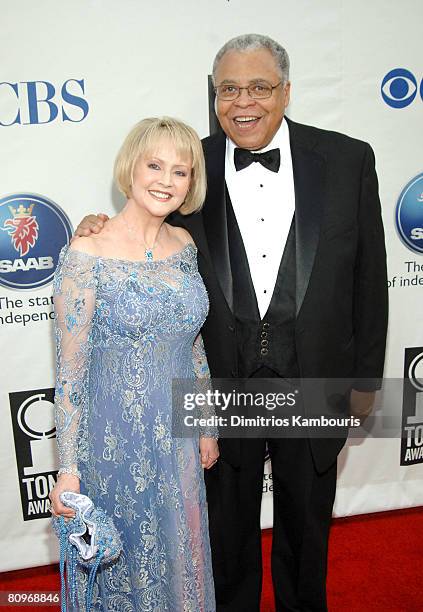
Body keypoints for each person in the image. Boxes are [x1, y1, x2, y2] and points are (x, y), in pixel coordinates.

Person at [75, 34, 388, 612]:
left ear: (286, 92)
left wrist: (367, 379)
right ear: (214, 96)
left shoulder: (348, 159)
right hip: (219, 383)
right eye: (228, 90)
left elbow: (370, 277)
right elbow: (141, 221)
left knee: (307, 528)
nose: (244, 102)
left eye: (260, 87)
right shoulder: (189, 162)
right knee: (225, 537)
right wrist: (96, 226)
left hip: (314, 376)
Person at [49, 116, 219, 611]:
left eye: (180, 172)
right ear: (131, 168)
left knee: (181, 562)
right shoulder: (87, 253)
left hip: (178, 439)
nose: (166, 180)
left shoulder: (183, 245)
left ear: (191, 183)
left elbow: (192, 344)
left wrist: (205, 423)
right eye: (155, 165)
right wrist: (69, 469)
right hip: (113, 442)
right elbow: (70, 374)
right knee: (127, 571)